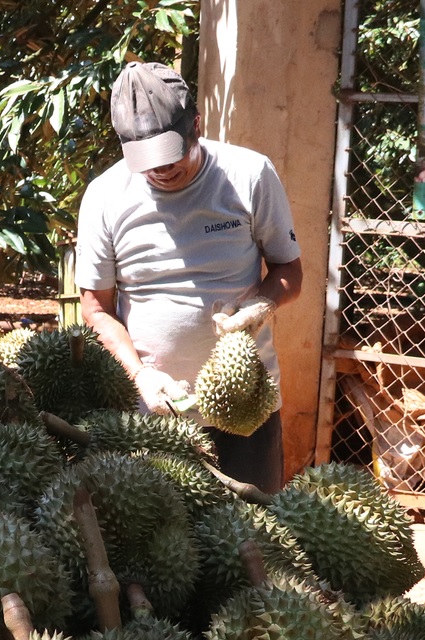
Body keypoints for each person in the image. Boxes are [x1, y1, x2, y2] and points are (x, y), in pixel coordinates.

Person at [75, 61, 304, 493]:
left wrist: (263, 303)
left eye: (169, 155)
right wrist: (139, 374)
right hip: (152, 417)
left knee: (256, 544)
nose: (160, 171)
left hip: (246, 410)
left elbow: (290, 272)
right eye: (145, 161)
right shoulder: (104, 196)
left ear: (196, 125)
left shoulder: (249, 175)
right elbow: (96, 308)